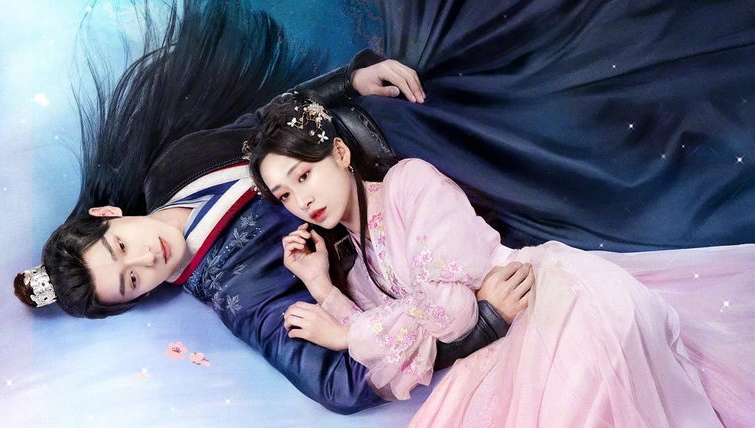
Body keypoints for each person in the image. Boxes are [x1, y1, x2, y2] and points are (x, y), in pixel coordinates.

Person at [13, 0, 512, 414]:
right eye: (132, 281)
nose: (147, 257)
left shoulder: (168, 170)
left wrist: (350, 80)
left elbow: (262, 121)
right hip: (430, 187)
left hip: (385, 112)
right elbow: (338, 385)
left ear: (108, 215)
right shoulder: (239, 295)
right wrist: (484, 322)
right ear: (136, 298)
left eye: (122, 247)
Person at [247, 92, 754, 426]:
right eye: (285, 194)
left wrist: (346, 334)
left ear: (339, 153)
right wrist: (322, 287)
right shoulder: (357, 268)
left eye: (304, 175)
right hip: (499, 344)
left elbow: (452, 314)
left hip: (548, 297)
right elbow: (391, 361)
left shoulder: (410, 183)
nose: (301, 199)